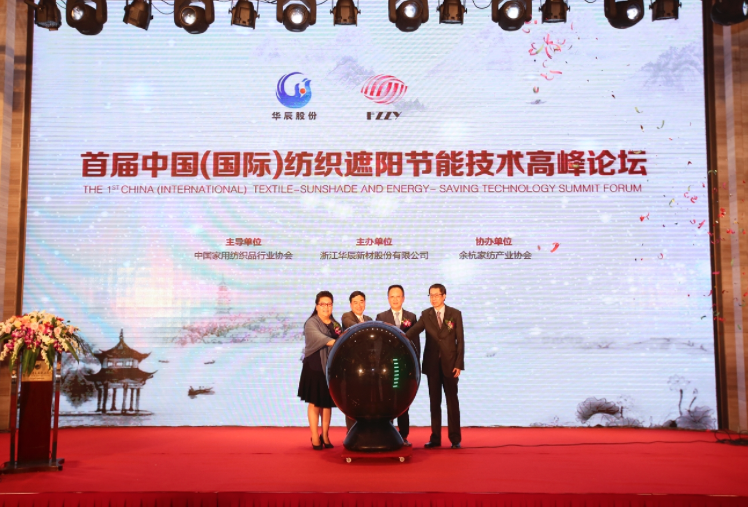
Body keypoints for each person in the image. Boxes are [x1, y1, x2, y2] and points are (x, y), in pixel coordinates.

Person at [406, 283, 465, 449]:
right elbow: (413, 331)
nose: (433, 298)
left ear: (444, 296)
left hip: (450, 364)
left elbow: (460, 341)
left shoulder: (455, 314)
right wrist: (399, 337)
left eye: (437, 295)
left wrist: (458, 364)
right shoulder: (426, 315)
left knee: (452, 402)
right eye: (431, 295)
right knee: (434, 402)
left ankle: (455, 439)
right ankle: (435, 438)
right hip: (432, 365)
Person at [298, 291, 342, 450]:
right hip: (314, 367)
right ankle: (315, 436)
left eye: (329, 304)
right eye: (323, 304)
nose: (326, 307)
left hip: (329, 368)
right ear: (317, 306)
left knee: (327, 403)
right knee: (315, 402)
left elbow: (339, 339)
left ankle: (325, 435)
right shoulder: (311, 323)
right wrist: (339, 341)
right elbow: (320, 339)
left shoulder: (335, 324)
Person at [376, 284, 418, 446]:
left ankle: (404, 435)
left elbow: (415, 343)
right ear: (388, 299)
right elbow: (378, 344)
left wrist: (415, 364)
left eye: (398, 296)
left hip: (405, 366)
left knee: (403, 401)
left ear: (403, 298)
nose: (395, 299)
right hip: (387, 367)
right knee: (387, 400)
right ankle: (388, 434)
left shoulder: (411, 317)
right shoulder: (381, 316)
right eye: (392, 296)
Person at [339, 290, 373, 431]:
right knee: (352, 400)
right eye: (355, 302)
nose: (359, 305)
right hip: (352, 366)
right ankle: (352, 432)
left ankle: (366, 431)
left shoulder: (369, 319)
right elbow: (353, 326)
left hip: (367, 367)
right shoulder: (347, 316)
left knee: (366, 399)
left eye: (361, 302)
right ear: (351, 304)